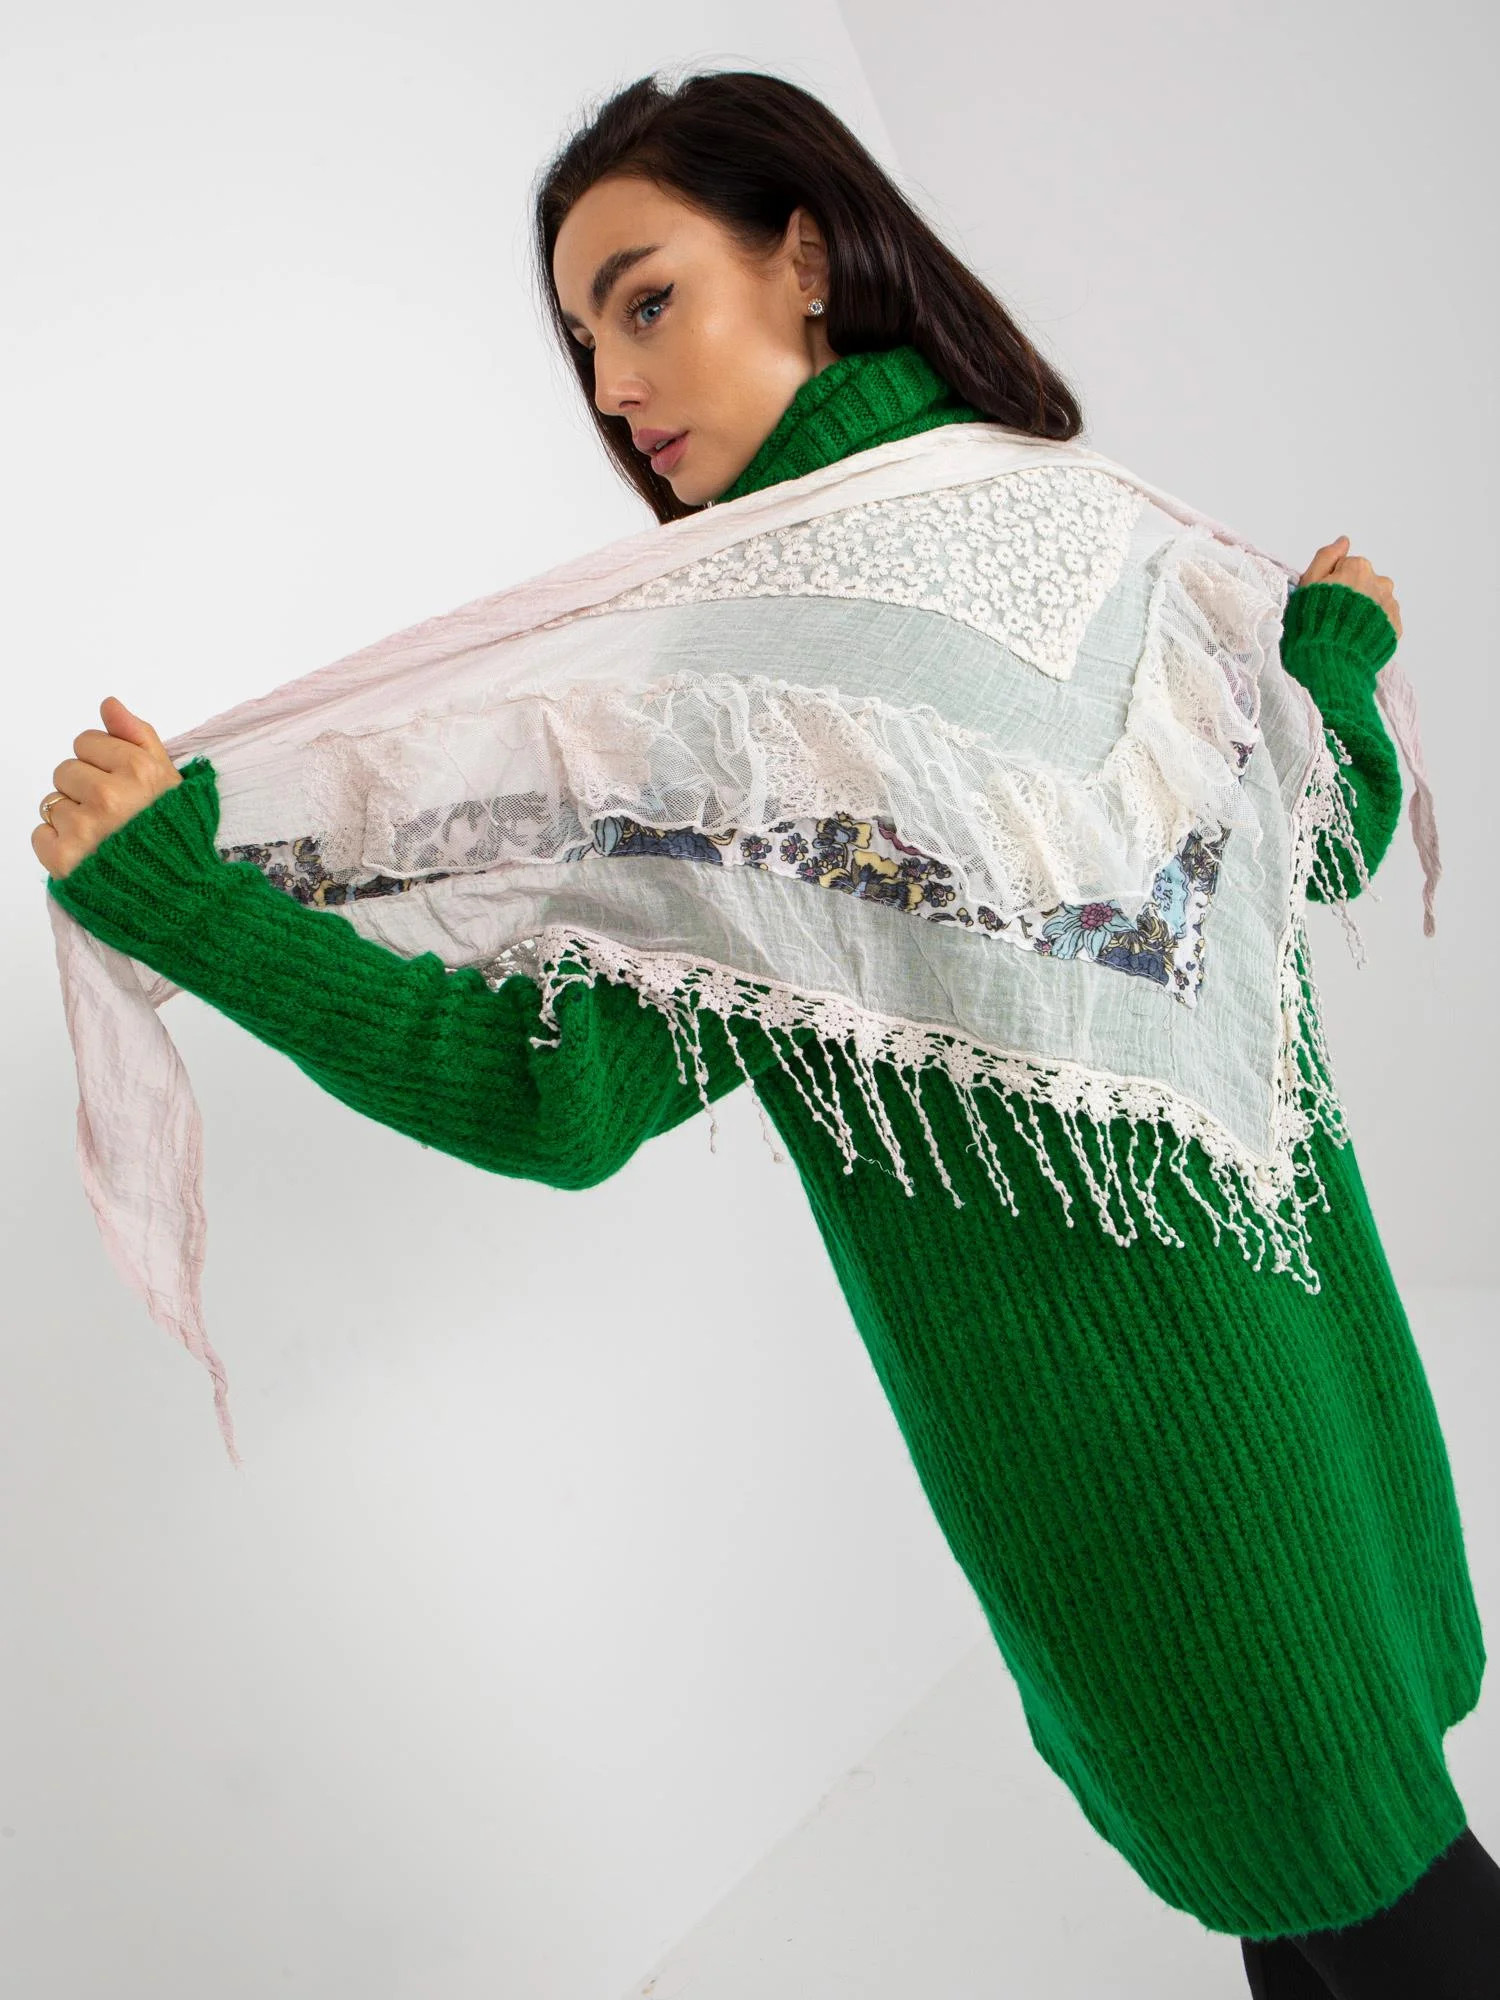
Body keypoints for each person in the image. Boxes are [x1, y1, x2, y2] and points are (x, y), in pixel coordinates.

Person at [33, 67, 1494, 1995]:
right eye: (585, 345)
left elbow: (551, 1097)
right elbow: (1335, 827)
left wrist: (194, 908)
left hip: (1144, 1467)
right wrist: (1333, 657)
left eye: (646, 300)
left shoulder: (742, 691)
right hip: (1306, 1366)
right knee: (1341, 1899)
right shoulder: (1090, 533)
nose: (617, 386)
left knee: (1378, 1918)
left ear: (805, 257)